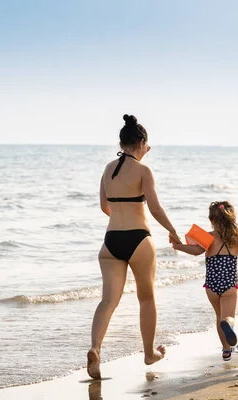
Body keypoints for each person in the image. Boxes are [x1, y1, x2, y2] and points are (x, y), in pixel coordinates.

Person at [87, 114, 182, 379]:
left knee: (108, 301)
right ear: (141, 143)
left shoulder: (108, 169)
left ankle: (95, 348)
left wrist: (120, 219)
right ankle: (149, 353)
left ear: (121, 142)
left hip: (111, 242)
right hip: (139, 239)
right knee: (147, 298)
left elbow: (105, 207)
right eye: (146, 146)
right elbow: (155, 208)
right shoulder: (143, 170)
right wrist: (173, 231)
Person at [171, 201, 238, 361]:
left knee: (218, 316)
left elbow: (196, 251)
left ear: (211, 220)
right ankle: (228, 324)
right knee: (228, 316)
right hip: (229, 284)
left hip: (211, 284)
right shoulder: (237, 237)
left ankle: (225, 349)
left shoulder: (208, 237)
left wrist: (178, 245)